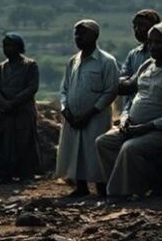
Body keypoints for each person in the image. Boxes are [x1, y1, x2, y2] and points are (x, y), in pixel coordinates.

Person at [96, 22, 162, 198]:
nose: (152, 46)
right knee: (104, 142)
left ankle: (120, 194)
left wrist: (149, 126)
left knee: (130, 148)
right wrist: (126, 118)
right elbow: (136, 93)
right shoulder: (148, 64)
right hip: (135, 125)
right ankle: (130, 186)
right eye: (150, 42)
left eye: (158, 42)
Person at [55, 20, 118, 198]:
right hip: (72, 117)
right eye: (76, 34)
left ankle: (102, 189)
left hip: (95, 117)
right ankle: (80, 187)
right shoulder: (72, 62)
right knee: (75, 151)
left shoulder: (106, 61)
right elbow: (64, 89)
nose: (78, 37)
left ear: (95, 36)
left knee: (94, 153)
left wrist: (89, 113)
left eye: (83, 34)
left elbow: (111, 91)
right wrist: (65, 109)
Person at [0, 33, 41, 181]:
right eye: (5, 46)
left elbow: (32, 87)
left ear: (19, 47)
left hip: (23, 110)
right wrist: (4, 102)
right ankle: (3, 173)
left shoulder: (30, 65)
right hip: (2, 111)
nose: (7, 49)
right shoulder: (0, 68)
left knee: (23, 141)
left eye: (10, 45)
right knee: (2, 142)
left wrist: (15, 102)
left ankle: (25, 173)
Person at [118, 9, 160, 111]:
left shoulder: (161, 54)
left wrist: (132, 81)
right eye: (135, 26)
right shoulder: (133, 54)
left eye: (142, 25)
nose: (137, 29)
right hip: (130, 110)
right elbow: (121, 84)